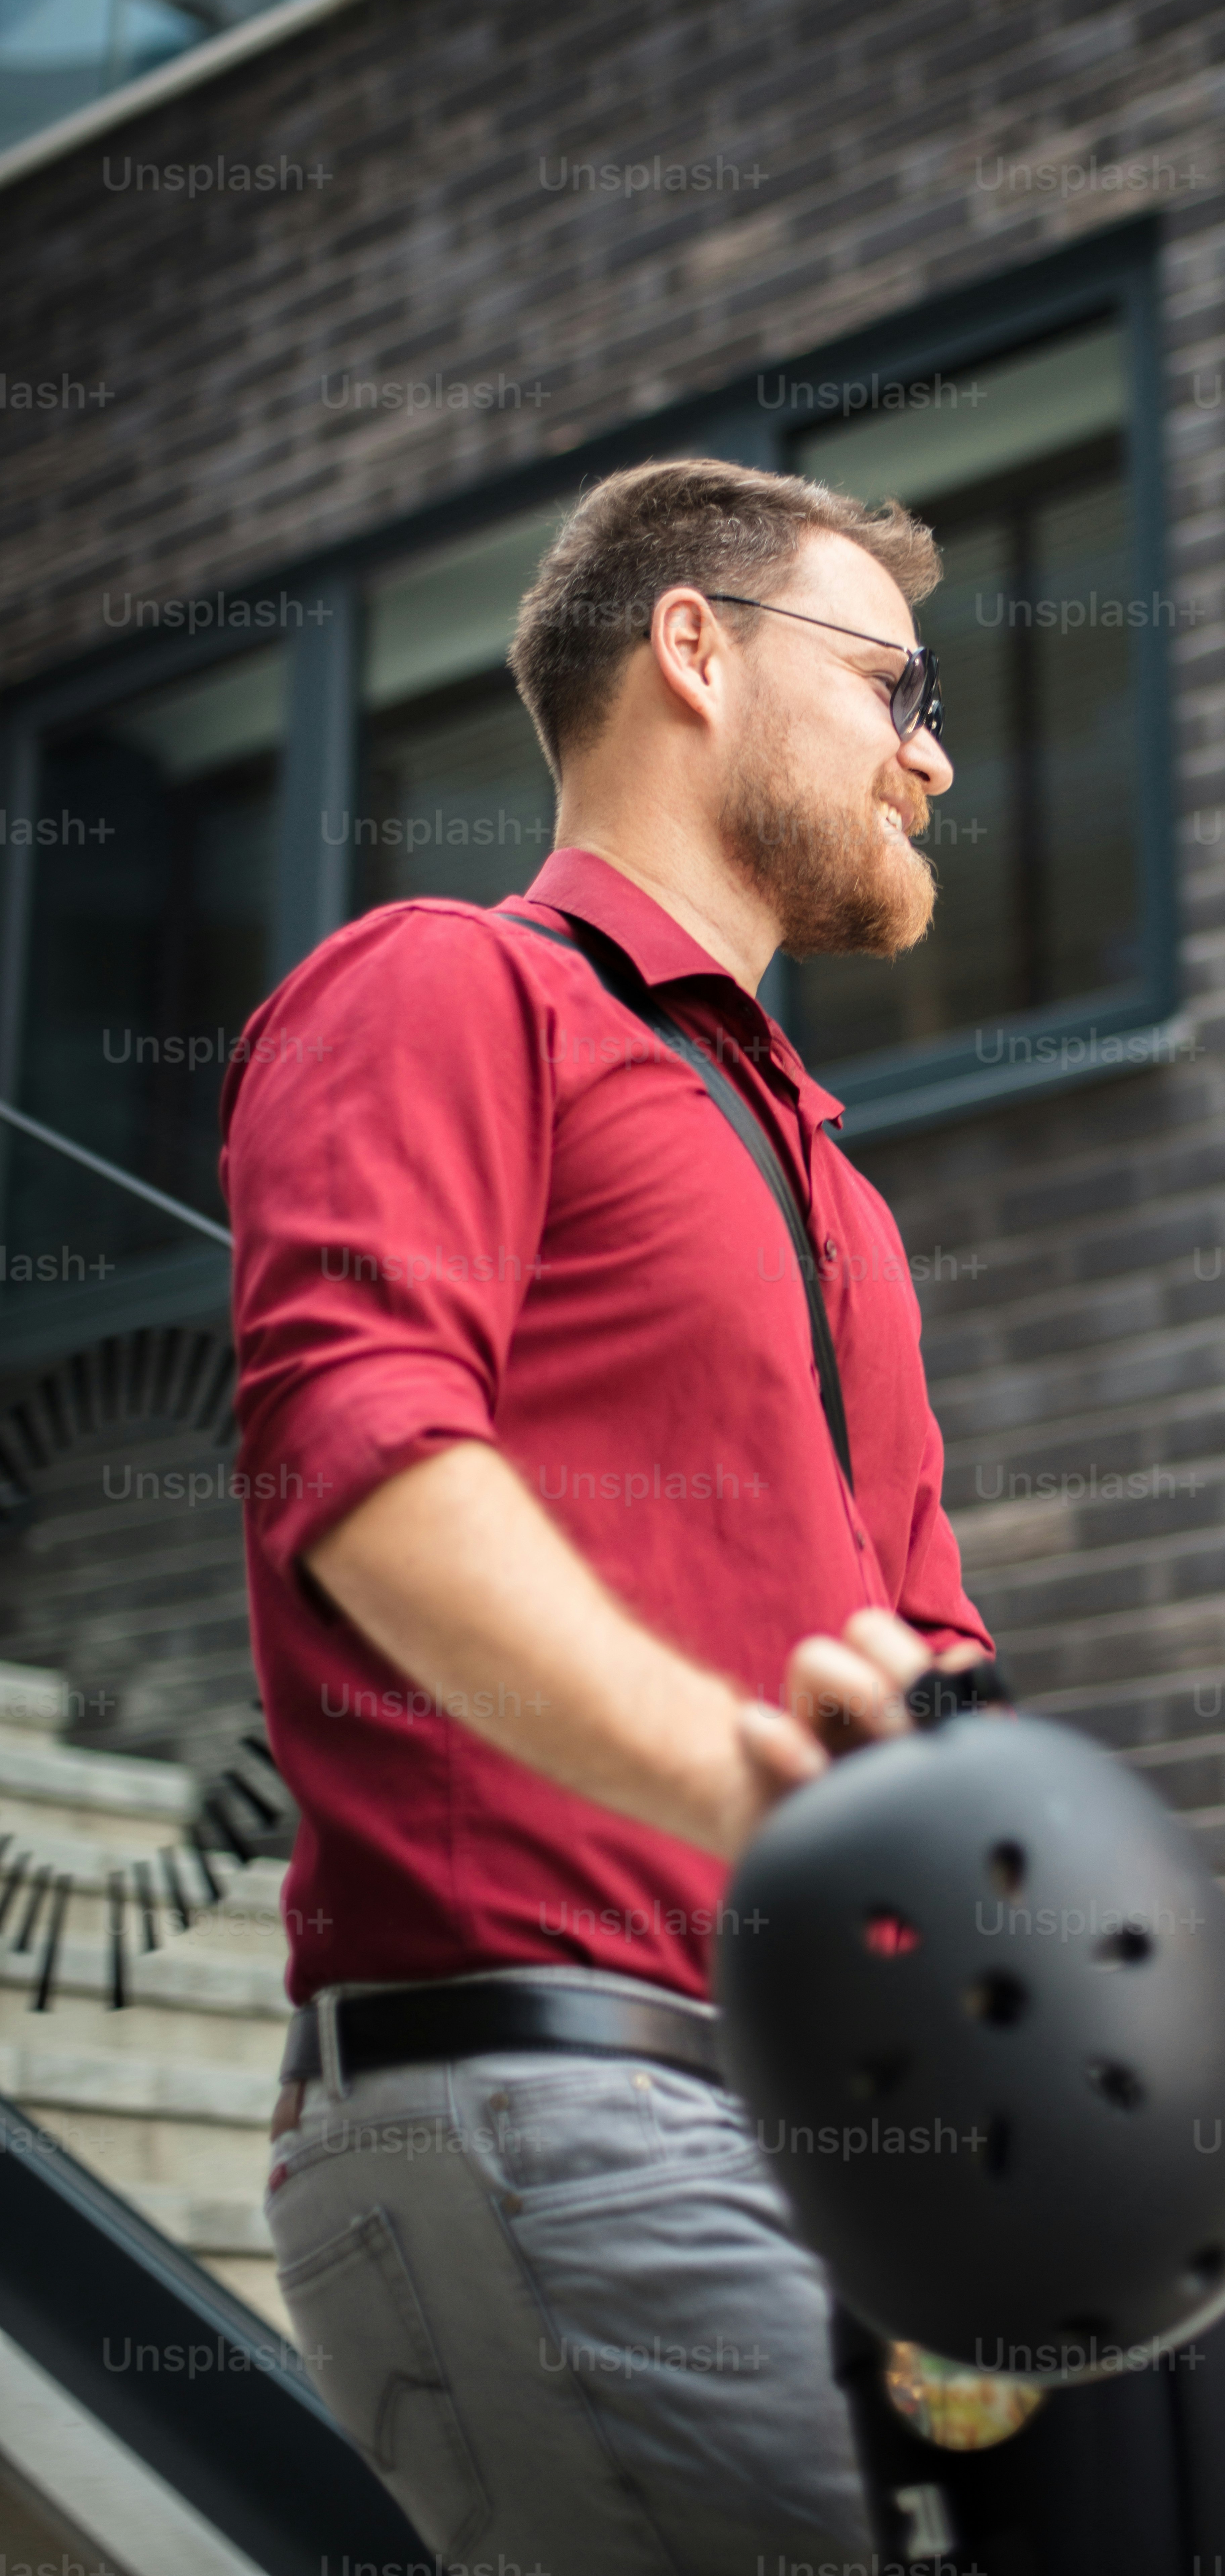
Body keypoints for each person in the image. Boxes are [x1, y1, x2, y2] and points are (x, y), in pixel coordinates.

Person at [220, 458, 995, 2576]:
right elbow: (360, 1453)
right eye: (898, 683)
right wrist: (734, 1783)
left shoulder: (844, 1195)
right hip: (550, 2093)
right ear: (694, 649)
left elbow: (935, 1674)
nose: (933, 753)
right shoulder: (443, 983)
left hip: (833, 2146)